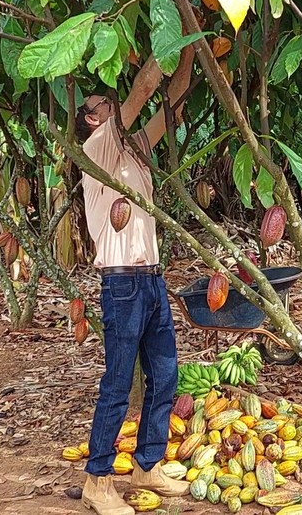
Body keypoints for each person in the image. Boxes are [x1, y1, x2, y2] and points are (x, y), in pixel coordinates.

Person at [75, 46, 195, 515]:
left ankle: (147, 464)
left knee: (164, 376)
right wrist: (172, 31)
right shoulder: (97, 149)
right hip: (121, 283)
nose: (110, 103)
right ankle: (97, 480)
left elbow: (173, 103)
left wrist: (192, 44)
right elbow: (144, 88)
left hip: (151, 279)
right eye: (102, 104)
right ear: (92, 119)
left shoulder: (135, 150)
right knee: (118, 383)